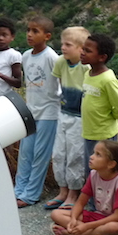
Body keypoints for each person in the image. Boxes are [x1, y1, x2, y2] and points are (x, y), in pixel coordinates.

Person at [49, 140, 118, 235]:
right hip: (99, 216)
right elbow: (80, 203)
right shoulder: (94, 174)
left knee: (111, 228)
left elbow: (117, 216)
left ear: (111, 164)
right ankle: (94, 234)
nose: (91, 157)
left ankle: (74, 234)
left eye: (98, 155)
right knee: (56, 214)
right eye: (93, 153)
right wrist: (73, 219)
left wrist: (86, 226)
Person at [43, 26, 91, 211]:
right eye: (62, 43)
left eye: (68, 44)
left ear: (81, 48)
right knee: (59, 154)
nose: (63, 47)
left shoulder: (86, 67)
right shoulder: (61, 62)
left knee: (75, 155)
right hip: (64, 114)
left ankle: (74, 193)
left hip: (80, 117)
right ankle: (62, 191)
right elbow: (60, 84)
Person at [14, 16, 60, 208]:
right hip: (30, 112)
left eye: (35, 31)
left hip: (49, 113)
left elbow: (60, 84)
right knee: (26, 152)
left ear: (47, 36)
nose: (30, 35)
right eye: (28, 30)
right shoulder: (25, 56)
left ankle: (31, 194)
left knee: (41, 155)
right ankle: (18, 190)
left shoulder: (52, 58)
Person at [80, 33, 118, 182]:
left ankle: (106, 203)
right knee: (91, 170)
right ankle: (93, 203)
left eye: (88, 51)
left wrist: (107, 118)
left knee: (105, 170)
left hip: (104, 134)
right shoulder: (88, 74)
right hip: (89, 132)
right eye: (83, 49)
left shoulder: (108, 79)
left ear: (102, 57)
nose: (82, 52)